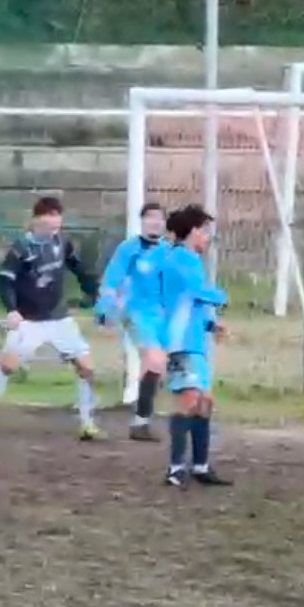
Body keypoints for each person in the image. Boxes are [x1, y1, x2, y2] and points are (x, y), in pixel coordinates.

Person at [0, 196, 101, 439]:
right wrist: (12, 309)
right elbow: (4, 281)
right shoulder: (21, 248)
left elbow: (79, 270)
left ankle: (87, 423)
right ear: (36, 220)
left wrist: (98, 293)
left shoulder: (63, 242)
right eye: (49, 220)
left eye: (57, 220)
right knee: (7, 366)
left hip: (59, 319)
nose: (54, 226)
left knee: (86, 367)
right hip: (29, 321)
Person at [161, 204, 230, 487]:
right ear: (192, 231)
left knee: (204, 402)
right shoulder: (177, 259)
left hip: (194, 340)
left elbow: (191, 303)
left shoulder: (190, 260)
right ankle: (175, 468)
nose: (207, 237)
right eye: (204, 231)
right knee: (189, 400)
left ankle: (200, 466)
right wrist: (221, 296)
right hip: (180, 341)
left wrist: (210, 325)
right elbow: (195, 292)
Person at [96, 203, 170, 442]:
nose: (154, 222)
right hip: (136, 313)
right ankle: (140, 422)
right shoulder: (129, 249)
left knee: (158, 368)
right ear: (142, 221)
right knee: (154, 360)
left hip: (162, 316)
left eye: (159, 218)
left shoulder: (168, 251)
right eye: (150, 217)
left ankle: (141, 421)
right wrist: (104, 308)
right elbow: (112, 279)